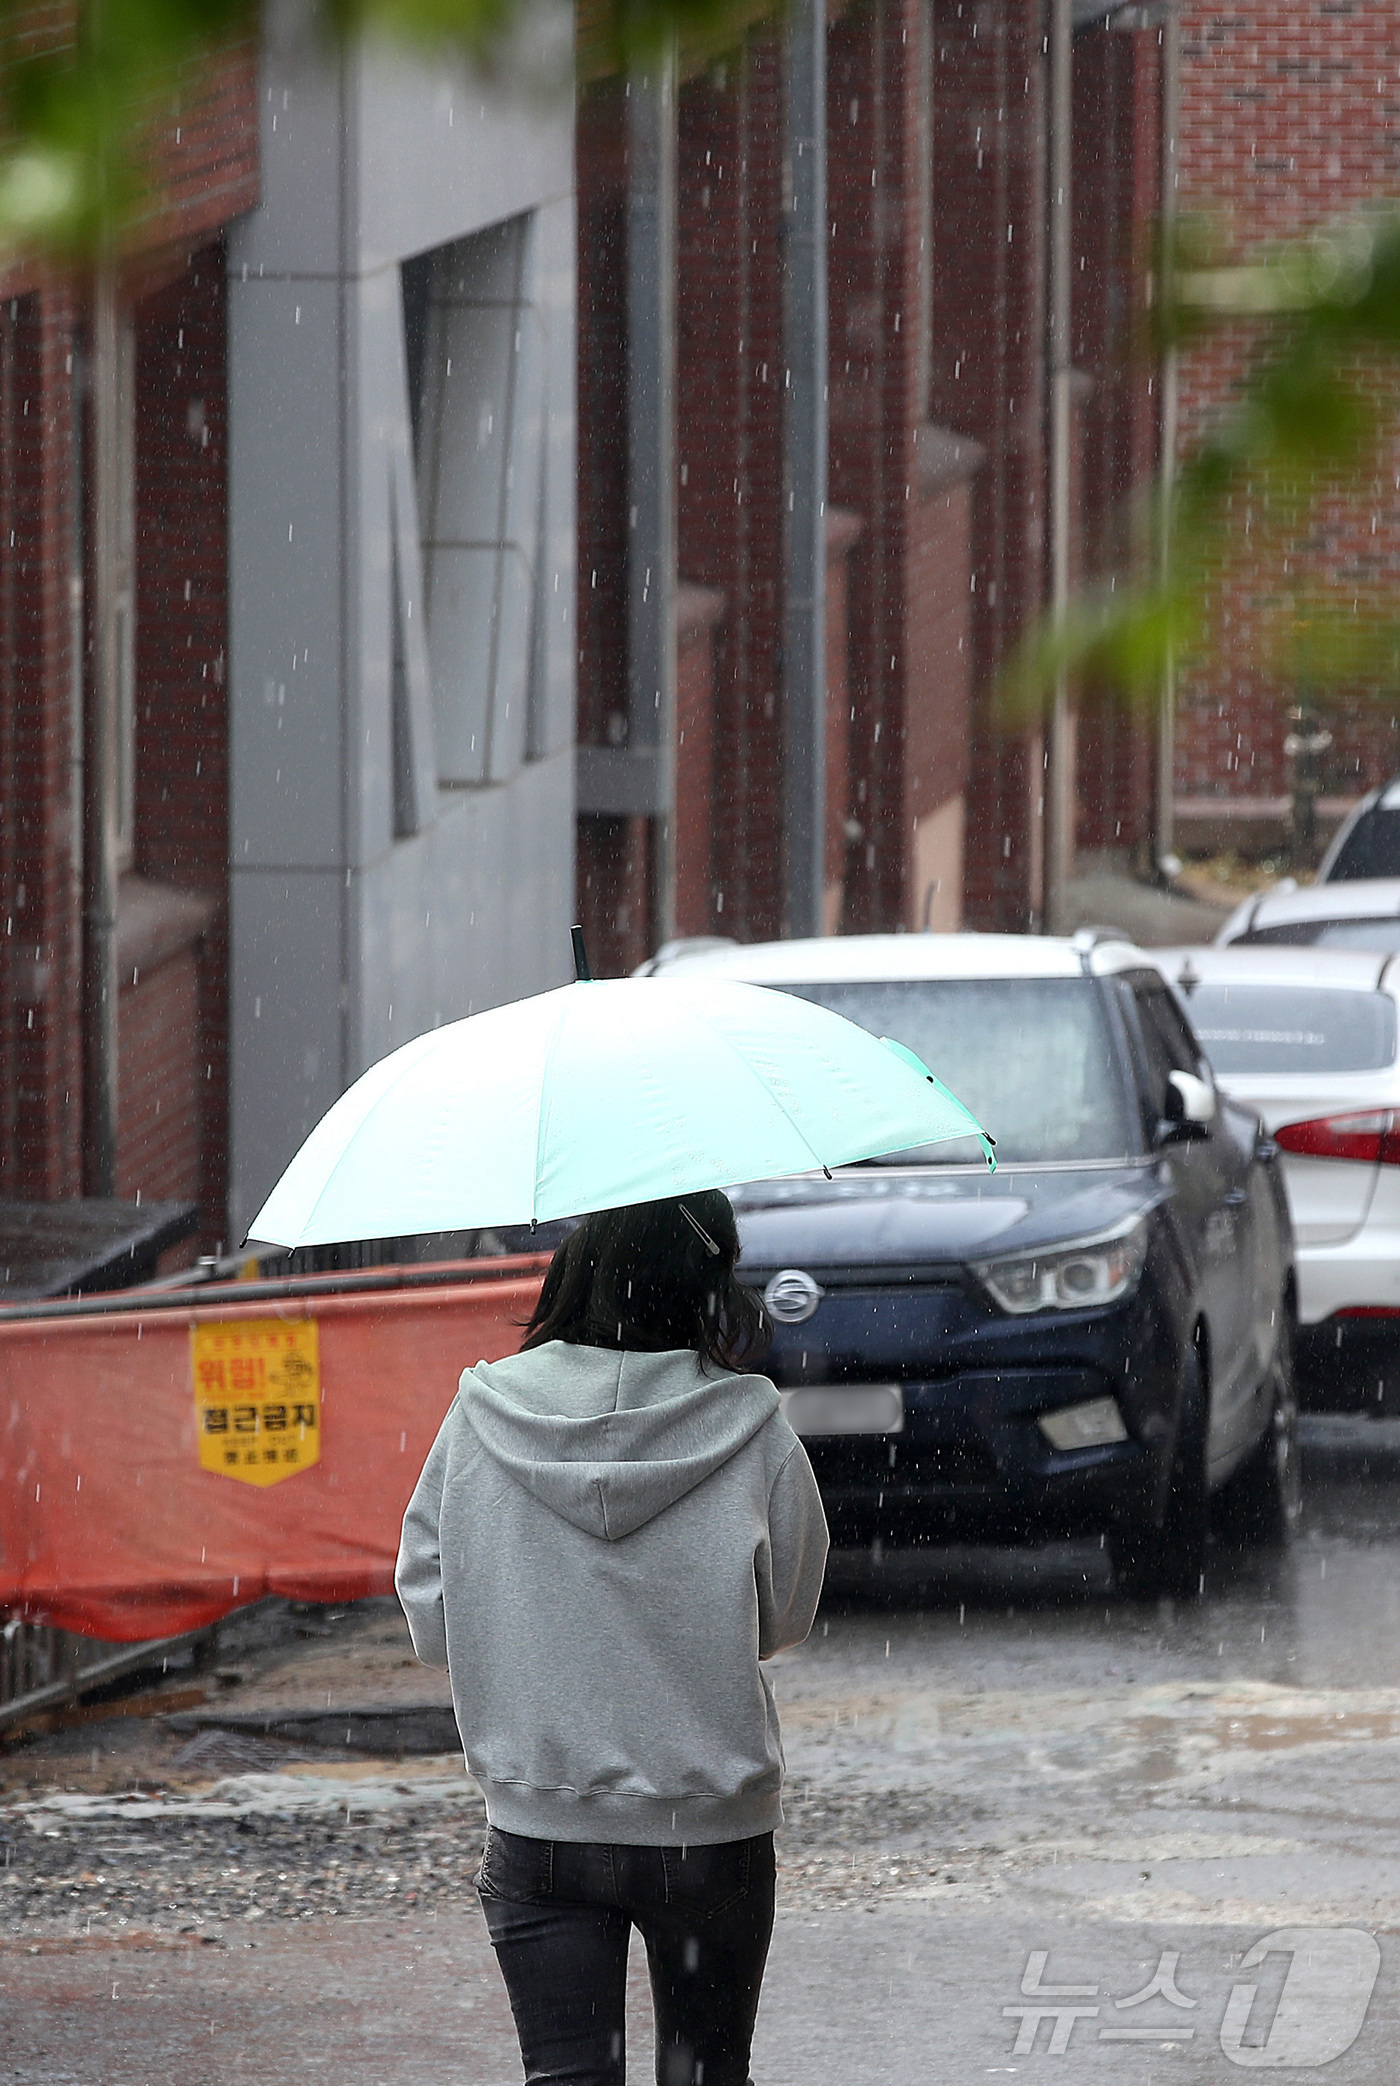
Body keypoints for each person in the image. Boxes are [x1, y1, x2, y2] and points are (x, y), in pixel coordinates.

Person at [395, 1190, 829, 2086]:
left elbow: (433, 1617)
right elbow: (784, 1617)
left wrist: (529, 1626)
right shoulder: (756, 1429)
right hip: (709, 1828)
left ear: (580, 1269)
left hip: (540, 1822)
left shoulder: (480, 1417)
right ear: (707, 1283)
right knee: (707, 2075)